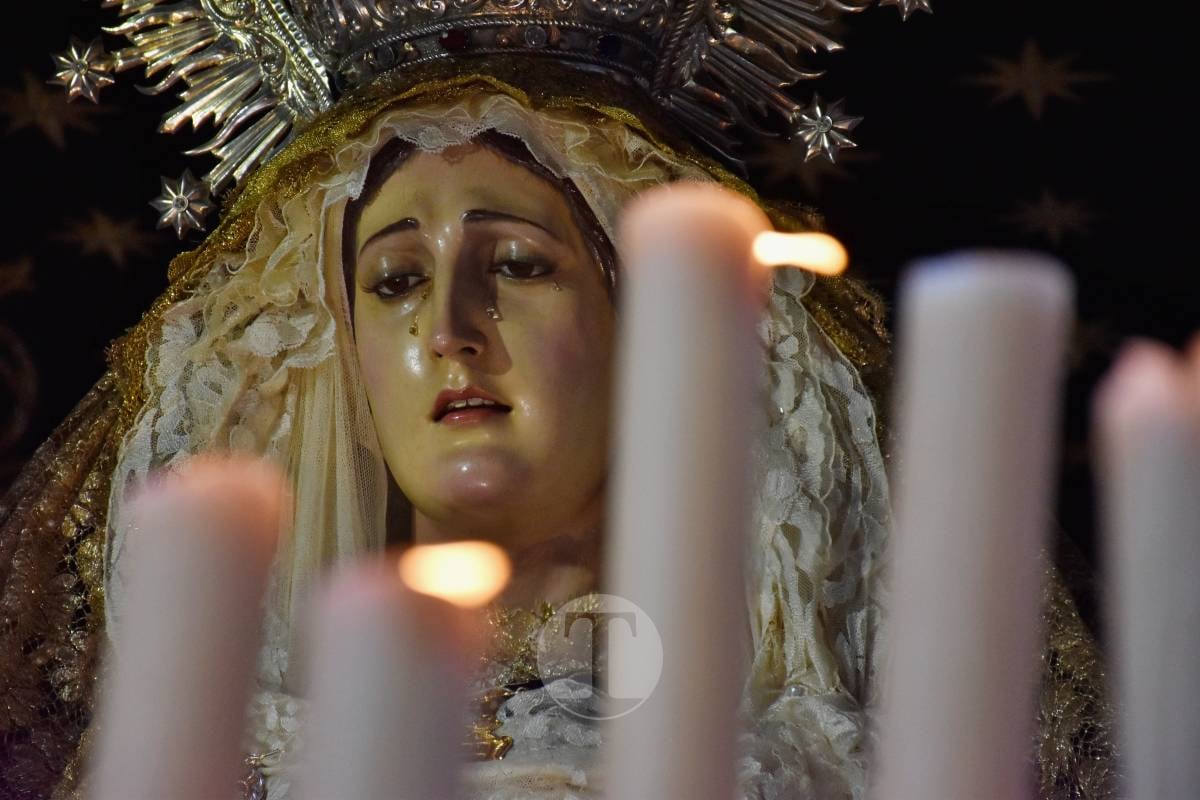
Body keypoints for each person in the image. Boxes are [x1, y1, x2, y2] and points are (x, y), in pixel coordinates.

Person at [0, 4, 1114, 800]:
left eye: (521, 263)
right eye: (393, 280)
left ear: (656, 326)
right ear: (330, 351)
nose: (449, 328)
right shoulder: (204, 761)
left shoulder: (825, 762)